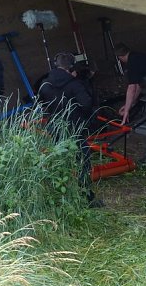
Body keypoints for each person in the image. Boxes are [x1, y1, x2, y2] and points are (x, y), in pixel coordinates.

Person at [38, 51, 101, 207]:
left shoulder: (45, 84)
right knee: (83, 162)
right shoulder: (74, 84)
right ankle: (87, 197)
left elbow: (41, 106)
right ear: (71, 67)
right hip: (75, 127)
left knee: (61, 160)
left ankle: (62, 196)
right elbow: (87, 104)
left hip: (56, 128)